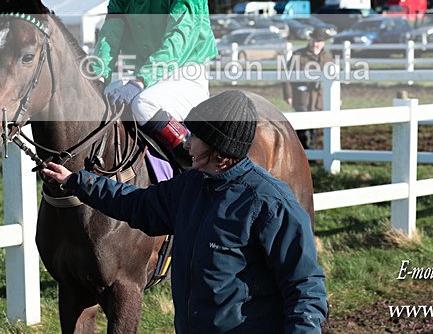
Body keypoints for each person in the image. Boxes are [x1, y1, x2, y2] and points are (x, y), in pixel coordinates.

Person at [41, 90, 328, 333]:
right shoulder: (190, 187)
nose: (186, 143)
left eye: (196, 137)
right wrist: (76, 181)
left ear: (219, 149)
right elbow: (135, 204)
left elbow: (305, 285)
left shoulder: (271, 203)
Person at [93, 0, 218, 164]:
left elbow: (177, 42)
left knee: (143, 104)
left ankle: (194, 166)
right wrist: (97, 74)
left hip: (185, 75)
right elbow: (110, 36)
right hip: (145, 76)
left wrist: (140, 81)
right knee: (99, 102)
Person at [282, 27, 334, 149]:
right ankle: (304, 153)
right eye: (314, 40)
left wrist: (338, 97)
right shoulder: (298, 55)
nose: (316, 44)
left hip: (319, 97)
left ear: (323, 42)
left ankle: (313, 152)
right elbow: (287, 76)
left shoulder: (328, 57)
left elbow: (333, 79)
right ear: (310, 39)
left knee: (315, 128)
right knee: (302, 128)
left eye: (319, 41)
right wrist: (288, 94)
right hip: (302, 97)